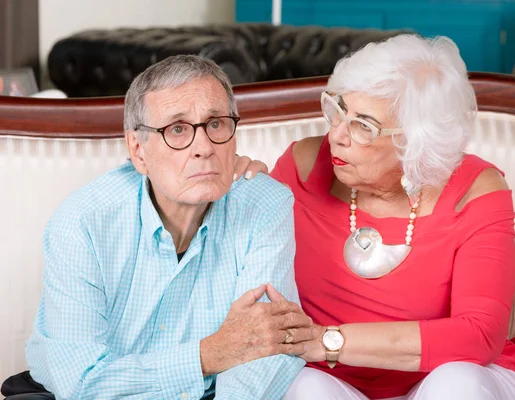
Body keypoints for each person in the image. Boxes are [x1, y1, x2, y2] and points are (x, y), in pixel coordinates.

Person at [238, 34, 515, 399]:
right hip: (332, 381)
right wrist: (231, 196)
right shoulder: (303, 167)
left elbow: (479, 335)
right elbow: (240, 267)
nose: (336, 135)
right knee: (302, 388)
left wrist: (327, 341)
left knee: (456, 385)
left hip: (443, 374)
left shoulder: (474, 192)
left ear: (415, 142)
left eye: (363, 125)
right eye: (338, 110)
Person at [7, 55, 316, 399]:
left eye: (216, 124)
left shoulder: (264, 203)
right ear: (138, 150)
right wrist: (209, 354)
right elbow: (81, 383)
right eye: (177, 130)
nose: (204, 148)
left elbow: (269, 348)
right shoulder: (83, 223)